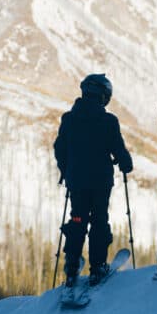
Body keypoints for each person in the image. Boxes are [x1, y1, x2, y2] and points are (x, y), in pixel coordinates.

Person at [54, 74, 134, 287]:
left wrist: (66, 170)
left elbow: (60, 149)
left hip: (77, 181)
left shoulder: (69, 119)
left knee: (77, 220)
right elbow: (118, 149)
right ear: (104, 96)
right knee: (99, 221)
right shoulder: (108, 121)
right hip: (100, 182)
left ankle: (71, 267)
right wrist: (126, 164)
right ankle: (97, 267)